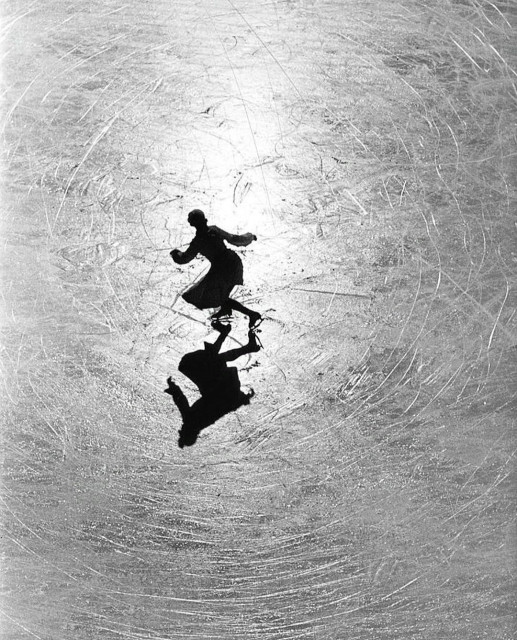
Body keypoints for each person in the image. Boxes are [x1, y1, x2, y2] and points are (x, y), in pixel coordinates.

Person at [164, 321, 261, 447]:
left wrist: (174, 390)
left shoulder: (192, 422)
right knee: (212, 360)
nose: (180, 429)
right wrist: (241, 400)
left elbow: (182, 401)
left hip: (216, 388)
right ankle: (243, 344)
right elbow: (220, 409)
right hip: (221, 388)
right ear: (187, 432)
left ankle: (233, 338)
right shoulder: (193, 421)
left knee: (212, 360)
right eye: (182, 433)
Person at [170, 209, 262, 327]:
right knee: (218, 294)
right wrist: (250, 237)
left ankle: (252, 314)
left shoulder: (197, 241)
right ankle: (226, 310)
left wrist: (175, 254)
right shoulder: (214, 230)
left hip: (221, 269)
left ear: (192, 223)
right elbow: (234, 239)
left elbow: (185, 259)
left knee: (210, 295)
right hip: (231, 261)